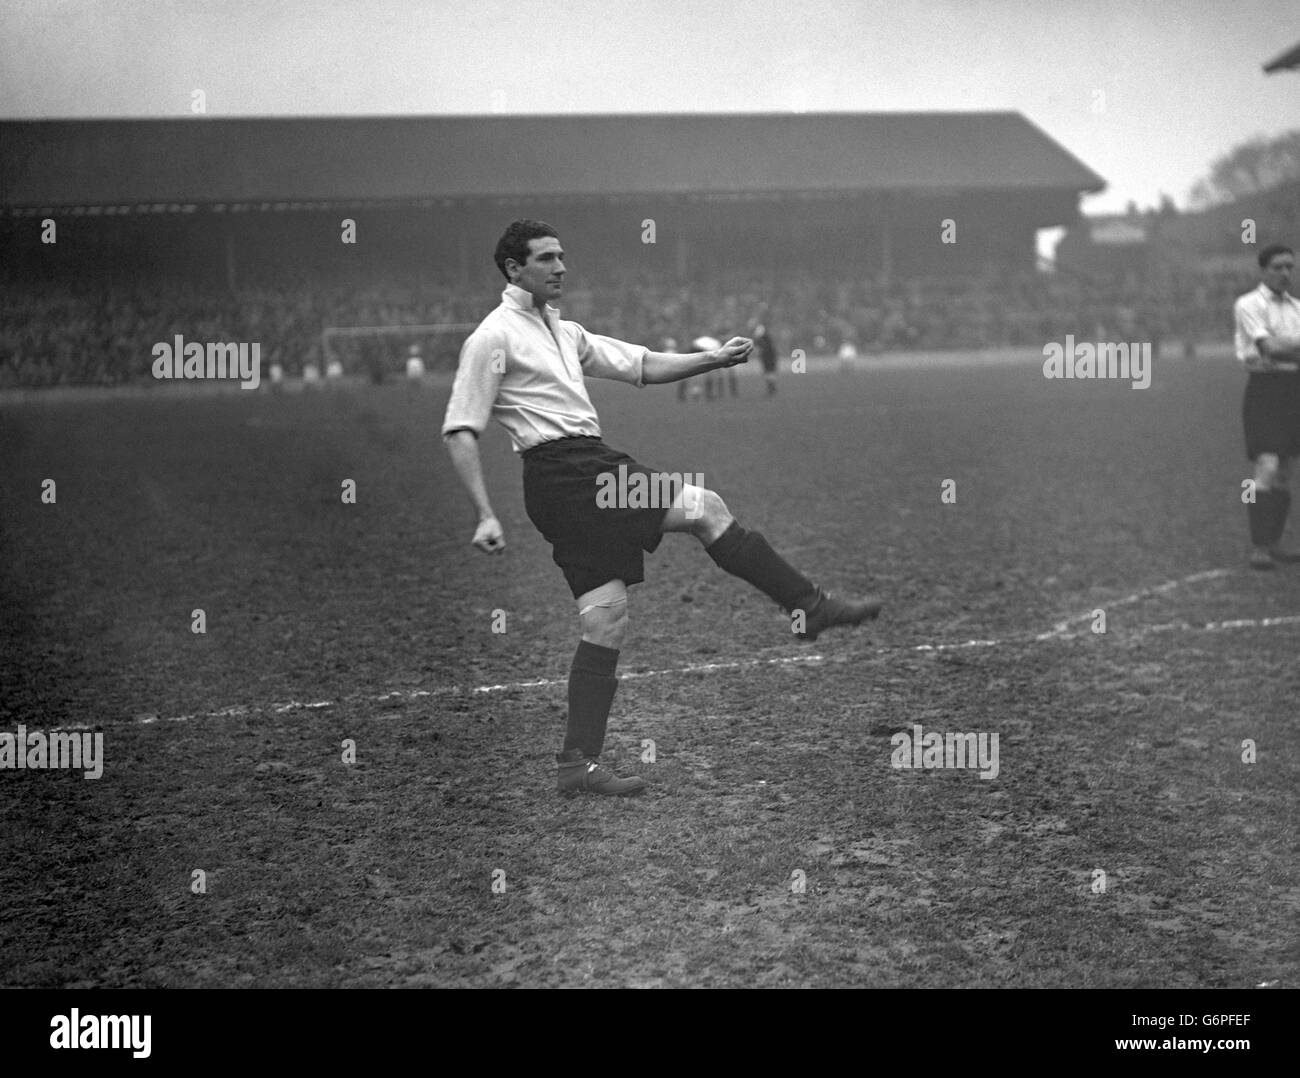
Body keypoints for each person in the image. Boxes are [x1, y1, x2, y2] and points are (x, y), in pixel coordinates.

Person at [442, 220, 882, 797]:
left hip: (571, 480)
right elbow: (460, 429)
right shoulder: (492, 338)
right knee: (705, 506)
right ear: (513, 268)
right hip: (574, 475)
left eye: (563, 256)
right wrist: (484, 512)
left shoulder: (565, 331)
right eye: (547, 258)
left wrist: (715, 361)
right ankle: (809, 606)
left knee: (605, 620)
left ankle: (577, 764)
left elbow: (642, 366)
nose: (561, 267)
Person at [1234, 243, 1300, 569]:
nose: (1286, 273)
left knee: (1286, 471)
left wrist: (1286, 347)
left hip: (1294, 389)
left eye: (1290, 266)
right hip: (1265, 389)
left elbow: (1283, 347)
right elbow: (1270, 348)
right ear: (1264, 270)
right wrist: (1283, 347)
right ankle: (1258, 546)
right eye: (1279, 267)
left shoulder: (1297, 308)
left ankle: (1274, 543)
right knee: (1267, 465)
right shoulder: (1249, 304)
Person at [755, 324, 778, 395]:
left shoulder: (764, 340)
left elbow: (763, 350)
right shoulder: (766, 339)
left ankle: (771, 389)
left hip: (768, 358)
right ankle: (772, 388)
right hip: (769, 358)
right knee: (769, 373)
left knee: (769, 373)